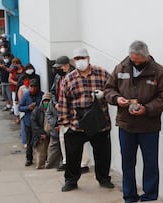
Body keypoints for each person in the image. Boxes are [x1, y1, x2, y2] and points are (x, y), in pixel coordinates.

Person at [104, 40, 163, 202]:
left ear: (147, 57)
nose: (136, 64)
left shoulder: (159, 72)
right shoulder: (121, 68)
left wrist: (146, 108)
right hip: (126, 125)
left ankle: (149, 196)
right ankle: (130, 196)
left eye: (139, 62)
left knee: (151, 164)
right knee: (127, 163)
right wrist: (117, 98)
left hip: (149, 126)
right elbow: (108, 89)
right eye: (133, 61)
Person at [58, 47, 114, 192]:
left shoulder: (102, 74)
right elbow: (64, 101)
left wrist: (104, 94)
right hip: (77, 124)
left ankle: (103, 178)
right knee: (73, 156)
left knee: (103, 154)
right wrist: (65, 122)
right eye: (76, 59)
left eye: (82, 58)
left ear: (88, 58)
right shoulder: (69, 79)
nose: (79, 61)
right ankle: (71, 180)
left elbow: (113, 90)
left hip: (99, 123)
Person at [51, 56, 90, 172]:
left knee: (79, 137)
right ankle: (66, 161)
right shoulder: (58, 77)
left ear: (66, 66)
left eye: (60, 67)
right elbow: (53, 91)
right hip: (61, 110)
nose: (58, 69)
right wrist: (55, 103)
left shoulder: (75, 76)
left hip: (74, 112)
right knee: (63, 137)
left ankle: (83, 163)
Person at [19, 79, 43, 167]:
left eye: (34, 88)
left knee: (40, 140)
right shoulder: (26, 96)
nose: (32, 89)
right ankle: (29, 158)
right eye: (31, 87)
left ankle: (42, 157)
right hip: (28, 121)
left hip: (38, 121)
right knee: (29, 141)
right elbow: (20, 107)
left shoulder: (41, 95)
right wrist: (28, 108)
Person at [31, 92, 52, 169]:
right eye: (45, 101)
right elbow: (34, 124)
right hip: (40, 135)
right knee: (41, 151)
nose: (46, 103)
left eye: (48, 101)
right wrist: (41, 134)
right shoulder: (37, 111)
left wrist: (48, 135)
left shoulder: (53, 112)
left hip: (51, 135)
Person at [44, 99, 62, 169]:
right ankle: (50, 164)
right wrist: (55, 124)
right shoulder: (51, 104)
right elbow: (48, 114)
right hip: (54, 131)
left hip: (64, 129)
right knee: (53, 148)